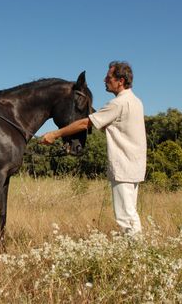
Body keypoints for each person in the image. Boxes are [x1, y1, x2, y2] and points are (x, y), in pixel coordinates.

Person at [41, 61, 146, 235]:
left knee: (124, 216)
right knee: (131, 212)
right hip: (134, 165)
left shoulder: (118, 103)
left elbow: (85, 123)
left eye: (109, 77)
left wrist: (54, 134)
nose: (105, 79)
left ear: (120, 81)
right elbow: (106, 122)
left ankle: (135, 253)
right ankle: (137, 251)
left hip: (123, 165)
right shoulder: (135, 101)